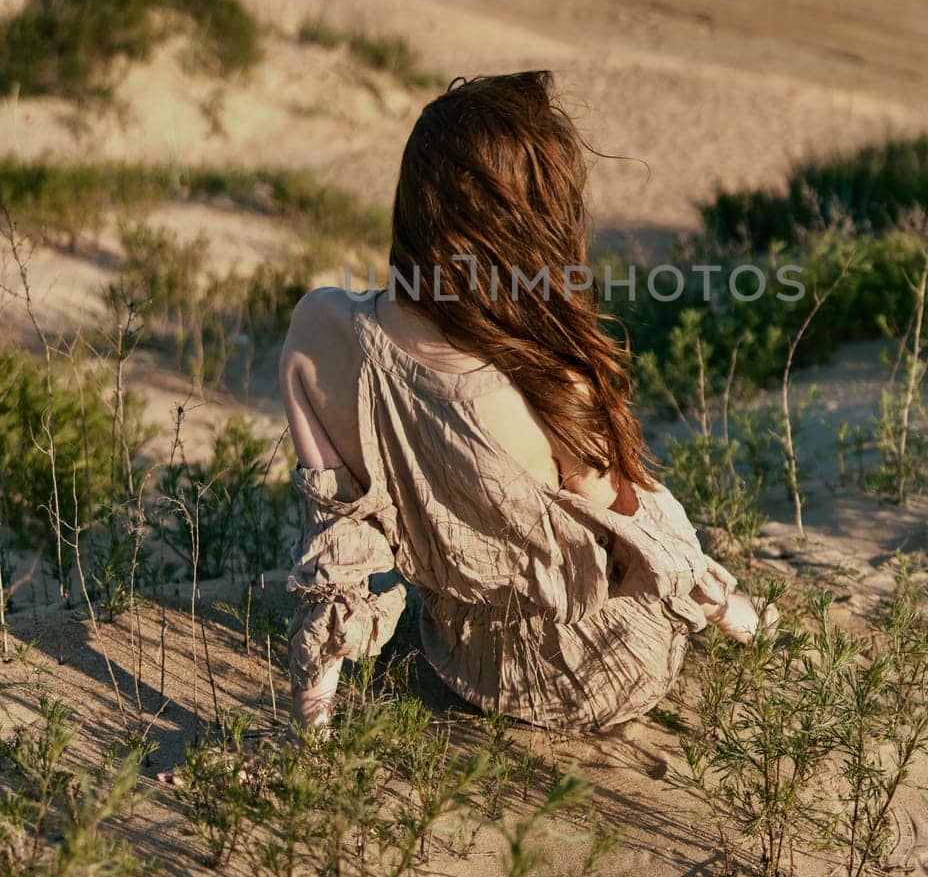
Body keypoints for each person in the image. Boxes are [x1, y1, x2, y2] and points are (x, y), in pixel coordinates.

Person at [279, 70, 761, 733]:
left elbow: (336, 532)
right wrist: (731, 611)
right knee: (640, 500)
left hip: (461, 664)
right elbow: (638, 545)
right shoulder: (549, 380)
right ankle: (745, 618)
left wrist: (313, 721)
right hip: (607, 671)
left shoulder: (319, 330)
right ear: (529, 222)